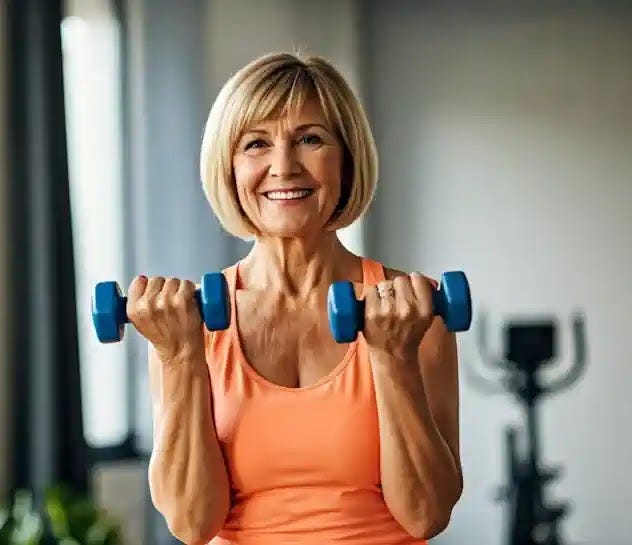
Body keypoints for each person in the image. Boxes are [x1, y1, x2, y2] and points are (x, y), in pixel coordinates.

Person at [127, 52, 463, 544]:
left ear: (346, 160)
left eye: (310, 139)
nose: (283, 167)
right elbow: (192, 523)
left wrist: (393, 357)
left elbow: (425, 515)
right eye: (256, 144)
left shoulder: (413, 313)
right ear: (230, 168)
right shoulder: (188, 325)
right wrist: (179, 356)